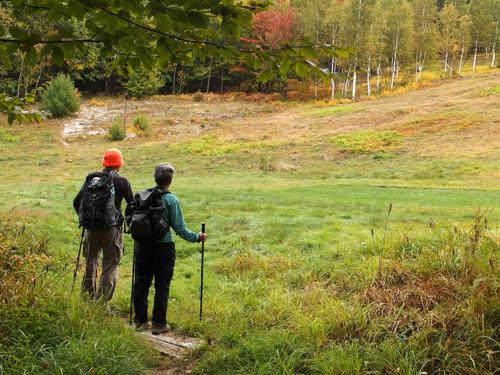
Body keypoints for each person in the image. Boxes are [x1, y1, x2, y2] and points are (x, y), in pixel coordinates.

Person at [133, 163, 208, 335]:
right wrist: (197, 237)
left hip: (142, 246)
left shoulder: (143, 196)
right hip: (164, 247)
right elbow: (180, 229)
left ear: (155, 178)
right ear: (170, 180)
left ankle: (140, 321)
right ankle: (159, 324)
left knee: (141, 283)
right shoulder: (171, 199)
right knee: (162, 285)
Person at [73, 148, 134, 302]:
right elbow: (132, 205)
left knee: (90, 261)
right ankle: (101, 303)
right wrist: (128, 221)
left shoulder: (92, 180)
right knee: (110, 264)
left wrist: (86, 219)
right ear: (119, 164)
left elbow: (76, 202)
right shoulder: (122, 181)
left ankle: (87, 298)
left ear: (104, 163)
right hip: (111, 229)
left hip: (91, 228)